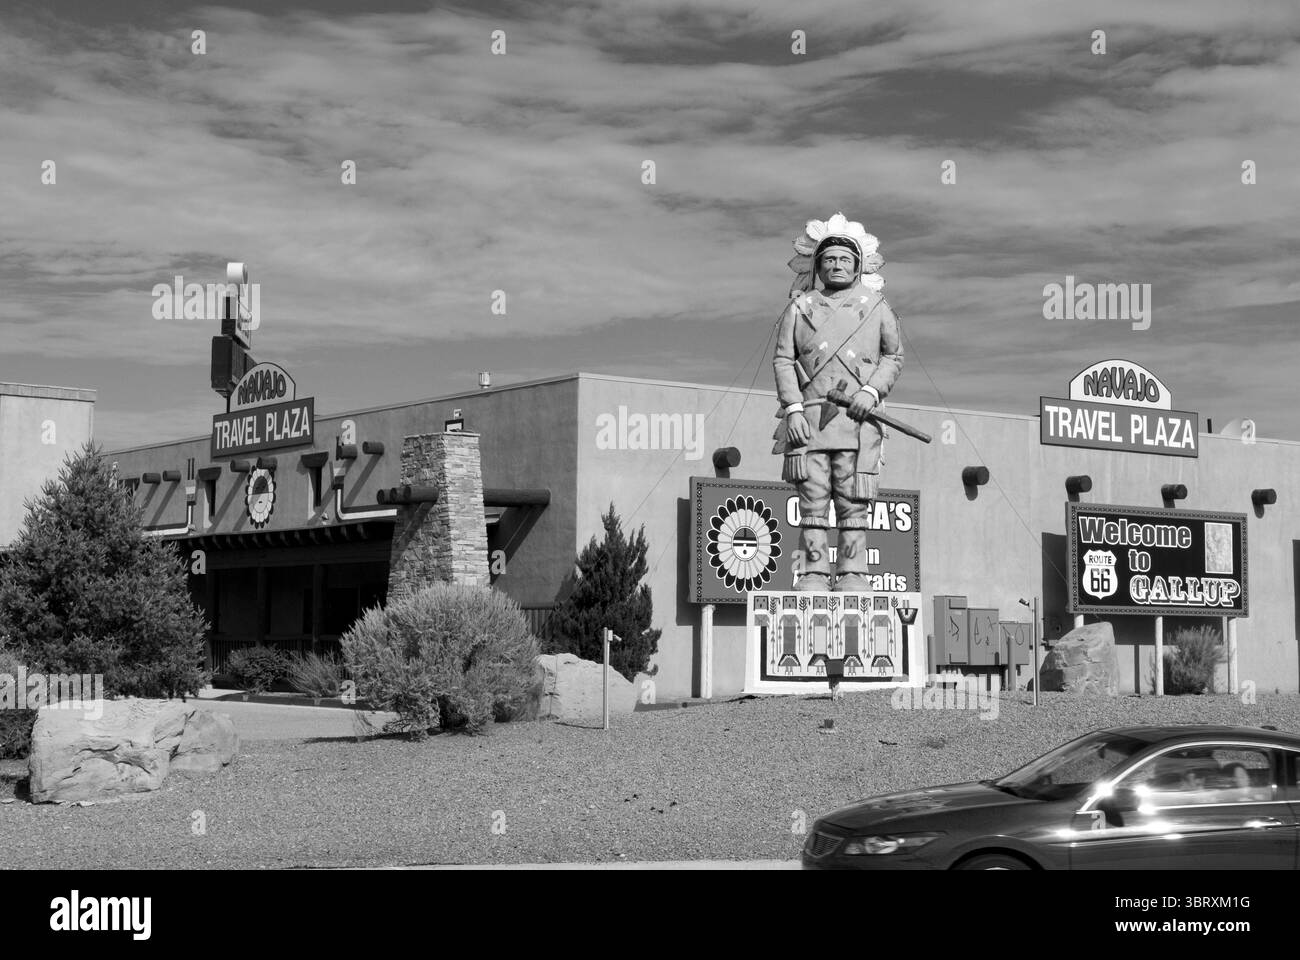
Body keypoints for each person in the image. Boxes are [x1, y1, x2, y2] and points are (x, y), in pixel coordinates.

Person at [773, 213, 904, 592]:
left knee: (852, 503)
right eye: (829, 259)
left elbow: (892, 357)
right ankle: (813, 572)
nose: (836, 265)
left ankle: (853, 572)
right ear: (816, 266)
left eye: (845, 259)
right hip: (810, 423)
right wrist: (794, 408)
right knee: (813, 503)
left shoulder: (877, 306)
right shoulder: (800, 307)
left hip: (858, 422)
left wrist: (870, 392)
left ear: (859, 265)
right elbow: (783, 359)